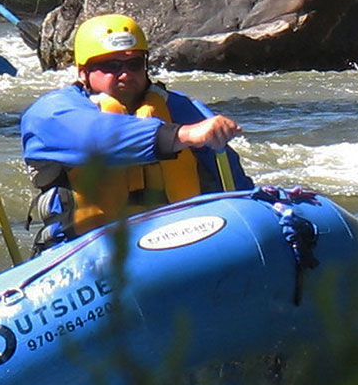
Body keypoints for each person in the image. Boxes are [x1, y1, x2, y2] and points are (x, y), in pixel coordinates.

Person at [20, 14, 250, 252]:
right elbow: (101, 137)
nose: (126, 74)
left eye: (134, 64)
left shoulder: (184, 110)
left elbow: (236, 186)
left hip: (181, 246)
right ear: (82, 72)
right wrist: (182, 135)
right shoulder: (49, 113)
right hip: (84, 256)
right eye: (111, 66)